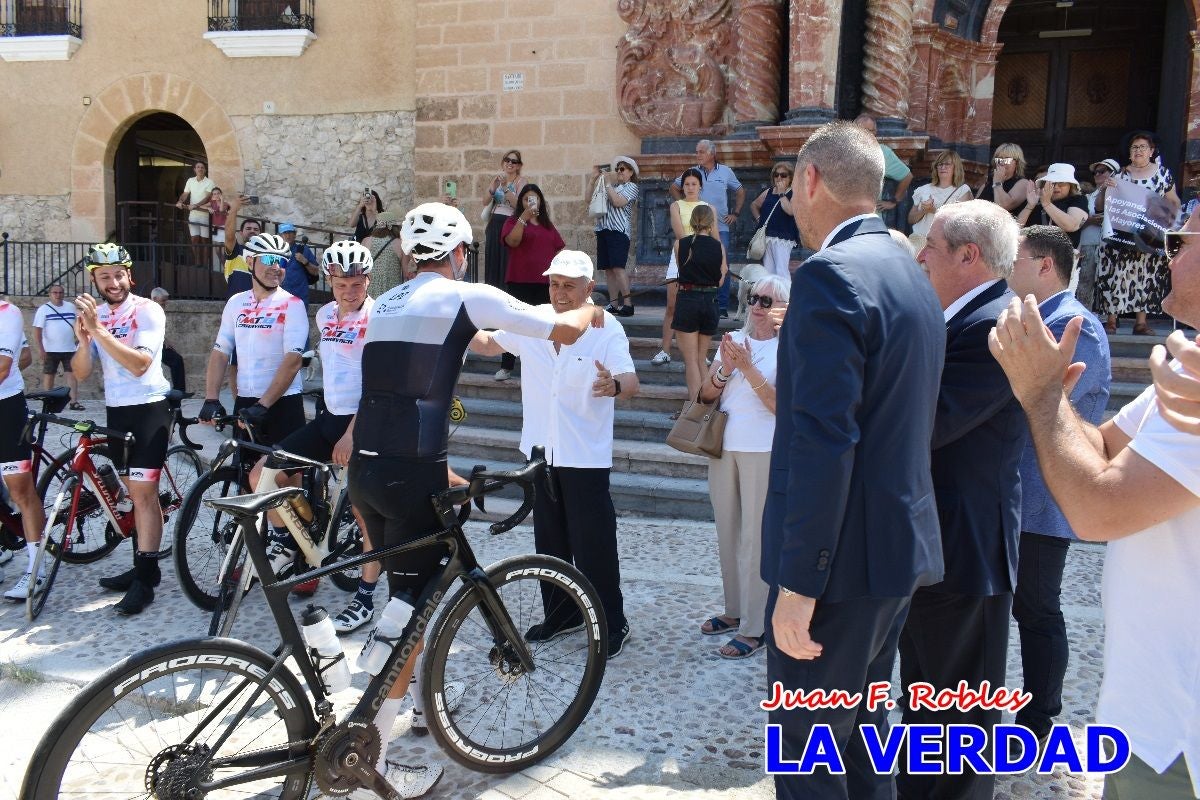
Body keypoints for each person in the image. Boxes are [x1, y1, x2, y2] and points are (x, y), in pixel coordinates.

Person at [346, 202, 605, 796]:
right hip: (412, 472)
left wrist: (503, 332)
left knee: (401, 591)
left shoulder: (383, 302)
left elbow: (474, 343)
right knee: (409, 608)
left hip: (368, 469)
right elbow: (563, 329)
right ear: (462, 252)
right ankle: (371, 760)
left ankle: (411, 690)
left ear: (410, 255)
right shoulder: (468, 292)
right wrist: (589, 306)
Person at [988, 211, 1200, 800]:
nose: (1167, 256)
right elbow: (1105, 442)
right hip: (1150, 712)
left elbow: (1099, 511)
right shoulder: (1191, 367)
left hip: (1182, 728)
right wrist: (1048, 393)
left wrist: (1037, 394)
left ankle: (1038, 717)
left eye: (1182, 242)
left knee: (1038, 610)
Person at [763, 120, 946, 800]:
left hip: (836, 570)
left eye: (792, 190)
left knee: (810, 761)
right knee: (864, 742)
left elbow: (823, 442)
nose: (792, 206)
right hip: (894, 552)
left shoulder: (830, 277)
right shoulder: (911, 270)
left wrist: (799, 586)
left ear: (810, 180)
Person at [902, 199, 1024, 799]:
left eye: (931, 246)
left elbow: (928, 424)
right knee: (925, 705)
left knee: (960, 729)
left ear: (970, 256)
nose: (920, 255)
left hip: (966, 550)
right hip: (935, 545)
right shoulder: (961, 320)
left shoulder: (998, 327)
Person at [470, 249, 639, 658]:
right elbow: (491, 343)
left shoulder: (606, 326)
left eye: (568, 286)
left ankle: (612, 624)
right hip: (540, 453)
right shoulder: (535, 320)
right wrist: (454, 322)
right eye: (554, 284)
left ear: (588, 289)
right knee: (550, 543)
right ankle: (563, 615)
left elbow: (631, 380)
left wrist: (612, 387)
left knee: (594, 544)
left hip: (585, 456)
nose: (559, 293)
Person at [1006, 225, 1112, 745]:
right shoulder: (1036, 320)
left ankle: (1040, 717)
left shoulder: (1077, 327)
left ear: (1046, 264)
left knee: (1037, 607)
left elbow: (1060, 412)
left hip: (1046, 496)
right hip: (1015, 491)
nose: (1009, 265)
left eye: (1017, 257)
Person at [234, 239, 375, 612]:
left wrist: (351, 434)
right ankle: (285, 539)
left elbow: (378, 385)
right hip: (328, 418)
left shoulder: (377, 319)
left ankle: (365, 596)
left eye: (356, 283)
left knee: (365, 514)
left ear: (368, 280)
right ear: (330, 282)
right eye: (341, 284)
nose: (348, 291)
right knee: (262, 475)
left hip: (361, 423)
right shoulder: (325, 315)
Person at [70, 244, 174, 614]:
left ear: (130, 275)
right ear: (94, 280)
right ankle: (139, 565)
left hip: (149, 408)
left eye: (118, 275)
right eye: (104, 276)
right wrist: (85, 340)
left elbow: (140, 365)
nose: (113, 282)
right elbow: (81, 373)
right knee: (131, 493)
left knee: (144, 494)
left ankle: (145, 579)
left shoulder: (148, 310)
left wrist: (98, 331)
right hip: (117, 411)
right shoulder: (95, 316)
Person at [697, 273, 789, 660]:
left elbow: (780, 406)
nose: (756, 306)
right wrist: (724, 371)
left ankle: (755, 627)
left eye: (766, 301)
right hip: (725, 446)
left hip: (762, 450)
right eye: (754, 297)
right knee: (728, 533)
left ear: (783, 307)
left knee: (755, 540)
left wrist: (748, 369)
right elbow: (704, 394)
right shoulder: (735, 340)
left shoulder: (790, 348)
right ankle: (734, 610)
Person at [201, 232, 308, 449]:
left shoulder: (292, 304)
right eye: (269, 259)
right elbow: (221, 352)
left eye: (282, 261)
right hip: (246, 402)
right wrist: (211, 398)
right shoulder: (236, 303)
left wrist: (264, 404)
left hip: (282, 404)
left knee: (286, 478)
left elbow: (294, 360)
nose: (276, 266)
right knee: (244, 478)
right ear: (250, 261)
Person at [1095, 131, 1181, 335]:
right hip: (1121, 234)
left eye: (1143, 147)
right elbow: (1101, 205)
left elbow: (1174, 201)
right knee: (1116, 275)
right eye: (1134, 147)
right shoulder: (1119, 175)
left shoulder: (1163, 174)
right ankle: (1111, 321)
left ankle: (1141, 323)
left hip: (1149, 236)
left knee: (1146, 275)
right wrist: (1104, 190)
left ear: (1152, 151)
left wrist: (1174, 225)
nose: (1138, 151)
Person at [0, 297, 48, 597]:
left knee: (20, 491)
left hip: (5, 408)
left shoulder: (7, 312)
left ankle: (36, 569)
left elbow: (3, 367)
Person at [494, 184, 563, 381]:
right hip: (519, 280)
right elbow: (512, 242)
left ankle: (544, 366)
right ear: (521, 202)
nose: (530, 202)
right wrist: (524, 218)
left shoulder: (547, 225)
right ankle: (507, 366)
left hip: (543, 282)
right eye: (526, 199)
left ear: (541, 200)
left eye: (534, 199)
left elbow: (558, 247)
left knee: (544, 324)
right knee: (514, 322)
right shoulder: (513, 221)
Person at [670, 140, 744, 316]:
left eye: (701, 152)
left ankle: (722, 305)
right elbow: (674, 187)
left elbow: (740, 191)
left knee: (722, 262)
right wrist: (682, 202)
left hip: (720, 225)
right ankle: (699, 299)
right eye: (697, 152)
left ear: (712, 153)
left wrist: (736, 213)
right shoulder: (693, 173)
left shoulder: (726, 172)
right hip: (696, 226)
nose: (698, 155)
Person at [653, 168, 710, 367]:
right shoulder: (676, 205)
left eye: (694, 184)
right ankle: (665, 350)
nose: (690, 187)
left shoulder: (707, 207)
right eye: (687, 184)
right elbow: (680, 233)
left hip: (702, 261)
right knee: (672, 306)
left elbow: (711, 237)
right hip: (679, 256)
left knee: (699, 305)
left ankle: (700, 353)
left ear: (700, 186)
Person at [671, 205, 726, 401]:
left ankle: (696, 408)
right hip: (710, 302)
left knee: (691, 360)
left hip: (688, 300)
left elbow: (682, 272)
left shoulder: (680, 244)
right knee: (702, 359)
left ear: (691, 222)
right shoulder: (719, 246)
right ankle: (708, 406)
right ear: (712, 223)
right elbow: (721, 279)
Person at [593, 156, 640, 316]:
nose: (619, 172)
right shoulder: (611, 186)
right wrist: (593, 180)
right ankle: (613, 304)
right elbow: (589, 200)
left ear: (631, 172)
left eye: (622, 169)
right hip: (604, 229)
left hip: (619, 231)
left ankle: (628, 304)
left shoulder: (632, 186)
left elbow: (619, 202)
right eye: (617, 169)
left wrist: (606, 183)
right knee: (609, 270)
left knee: (618, 268)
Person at [907, 150, 972, 251]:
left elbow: (960, 222)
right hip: (919, 242)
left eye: (947, 164)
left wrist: (934, 210)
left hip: (945, 245)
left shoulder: (963, 190)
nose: (943, 167)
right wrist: (924, 211)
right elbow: (911, 219)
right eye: (940, 164)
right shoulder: (923, 189)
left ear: (956, 167)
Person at [32, 284, 84, 410]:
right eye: (55, 292)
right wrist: (41, 349)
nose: (58, 295)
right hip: (50, 349)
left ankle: (74, 402)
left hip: (69, 348)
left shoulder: (70, 307)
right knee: (49, 375)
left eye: (60, 292)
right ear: (50, 294)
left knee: (72, 375)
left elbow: (79, 323)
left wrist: (80, 341)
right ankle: (48, 402)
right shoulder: (43, 309)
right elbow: (37, 330)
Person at [1077, 159, 1119, 309]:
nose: (1097, 174)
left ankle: (1109, 317)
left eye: (1102, 171)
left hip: (1111, 245)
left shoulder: (1121, 194)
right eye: (1095, 172)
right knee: (1085, 280)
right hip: (1088, 243)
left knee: (1108, 281)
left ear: (1114, 173)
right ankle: (1083, 313)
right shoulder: (1088, 196)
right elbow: (1079, 219)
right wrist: (1089, 220)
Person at [482, 150, 528, 289]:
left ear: (519, 166)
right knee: (493, 259)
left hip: (510, 224)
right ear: (503, 163)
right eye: (507, 160)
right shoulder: (497, 178)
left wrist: (505, 188)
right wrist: (493, 188)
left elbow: (519, 206)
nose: (510, 163)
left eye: (514, 161)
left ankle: (506, 292)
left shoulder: (522, 182)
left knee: (506, 261)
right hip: (494, 223)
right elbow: (485, 201)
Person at [854, 114, 913, 219]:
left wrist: (893, 201)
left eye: (870, 131)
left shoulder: (882, 152)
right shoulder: (842, 151)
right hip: (843, 218)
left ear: (875, 132)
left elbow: (907, 176)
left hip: (869, 220)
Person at [1016, 162, 1090, 247]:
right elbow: (1016, 230)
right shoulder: (1037, 201)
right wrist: (1030, 205)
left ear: (1071, 186)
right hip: (1035, 253)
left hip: (1062, 256)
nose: (1056, 187)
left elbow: (1071, 225)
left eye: (1061, 183)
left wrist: (1047, 204)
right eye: (1052, 183)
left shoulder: (1078, 200)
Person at [749, 163, 800, 277]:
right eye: (776, 175)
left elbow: (790, 211)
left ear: (790, 177)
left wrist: (782, 193)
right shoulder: (768, 192)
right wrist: (759, 219)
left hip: (783, 238)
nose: (779, 178)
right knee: (768, 272)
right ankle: (771, 295)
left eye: (783, 175)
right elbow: (754, 205)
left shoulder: (793, 193)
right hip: (767, 237)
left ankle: (785, 294)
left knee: (781, 270)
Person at [221, 195, 262, 298]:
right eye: (248, 228)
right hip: (237, 309)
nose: (252, 231)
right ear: (241, 233)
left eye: (256, 229)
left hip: (258, 309)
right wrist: (234, 209)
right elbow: (229, 236)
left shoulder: (264, 256)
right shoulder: (236, 251)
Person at [175, 161, 215, 267]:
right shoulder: (190, 181)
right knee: (194, 240)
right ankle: (198, 263)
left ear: (205, 170)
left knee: (205, 240)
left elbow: (207, 197)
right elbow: (185, 194)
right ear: (194, 169)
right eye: (198, 167)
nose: (200, 169)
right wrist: (180, 201)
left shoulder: (209, 182)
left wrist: (196, 205)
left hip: (204, 214)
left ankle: (206, 265)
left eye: (202, 167)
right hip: (193, 215)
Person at [978, 142, 1033, 216]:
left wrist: (997, 183)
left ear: (1017, 163)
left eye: (1007, 160)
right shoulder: (986, 184)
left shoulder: (1023, 183)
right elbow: (975, 206)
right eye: (999, 160)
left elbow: (1003, 206)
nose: (1002, 163)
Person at [150, 288, 187, 393]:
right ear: (154, 299)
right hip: (151, 345)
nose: (164, 306)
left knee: (177, 360)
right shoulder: (148, 311)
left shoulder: (157, 311)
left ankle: (179, 391)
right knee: (176, 360)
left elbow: (158, 329)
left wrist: (166, 340)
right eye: (162, 303)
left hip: (158, 342)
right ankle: (178, 391)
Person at [363, 211, 407, 296]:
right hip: (392, 292)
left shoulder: (366, 241)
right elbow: (406, 273)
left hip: (369, 290)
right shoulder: (400, 244)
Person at [277, 223, 318, 304]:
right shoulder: (275, 251)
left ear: (295, 234)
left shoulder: (303, 250)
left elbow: (315, 271)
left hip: (300, 296)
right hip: (280, 297)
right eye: (285, 233)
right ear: (280, 236)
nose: (288, 235)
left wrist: (305, 262)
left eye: (290, 232)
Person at [205, 187, 230, 270]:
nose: (216, 195)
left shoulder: (225, 203)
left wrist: (222, 199)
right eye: (214, 194)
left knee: (224, 250)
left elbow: (222, 209)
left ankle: (229, 268)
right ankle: (226, 267)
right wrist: (208, 208)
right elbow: (201, 206)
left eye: (218, 193)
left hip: (223, 228)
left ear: (221, 194)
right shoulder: (212, 203)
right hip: (215, 227)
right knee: (217, 251)